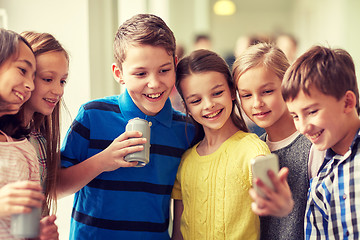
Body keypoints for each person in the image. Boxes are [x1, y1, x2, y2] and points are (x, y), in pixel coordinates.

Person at [58, 14, 194, 239]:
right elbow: (57, 187)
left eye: (164, 70)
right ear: (119, 74)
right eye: (141, 73)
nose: (154, 83)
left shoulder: (185, 130)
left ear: (176, 66)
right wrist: (103, 160)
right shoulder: (93, 115)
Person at [171, 49, 270, 240]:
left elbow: (274, 211)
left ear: (233, 91)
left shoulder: (253, 150)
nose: (208, 105)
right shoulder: (186, 161)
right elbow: (178, 234)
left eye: (217, 93)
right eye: (196, 100)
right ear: (187, 107)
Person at [233, 42, 311, 240]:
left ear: (286, 86)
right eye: (246, 95)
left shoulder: (313, 144)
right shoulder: (251, 150)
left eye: (267, 91)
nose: (257, 103)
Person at [282, 45, 360, 240]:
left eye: (312, 112)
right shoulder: (320, 181)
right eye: (295, 116)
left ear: (347, 102)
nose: (303, 127)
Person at [0, 28, 58, 240]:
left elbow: (24, 230)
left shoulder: (23, 149)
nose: (30, 85)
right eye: (22, 70)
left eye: (33, 76)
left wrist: (37, 234)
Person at [17, 31, 69, 216]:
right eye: (48, 79)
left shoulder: (39, 139)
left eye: (63, 81)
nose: (58, 90)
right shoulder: (9, 143)